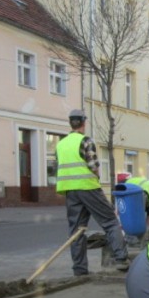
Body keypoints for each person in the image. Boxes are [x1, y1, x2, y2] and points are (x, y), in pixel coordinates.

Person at [56, 109, 128, 275]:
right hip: (87, 187)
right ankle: (121, 259)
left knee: (77, 230)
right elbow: (93, 166)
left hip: (70, 190)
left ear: (70, 123)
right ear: (83, 122)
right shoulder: (86, 141)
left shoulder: (61, 144)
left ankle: (79, 270)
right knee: (110, 221)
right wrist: (96, 175)